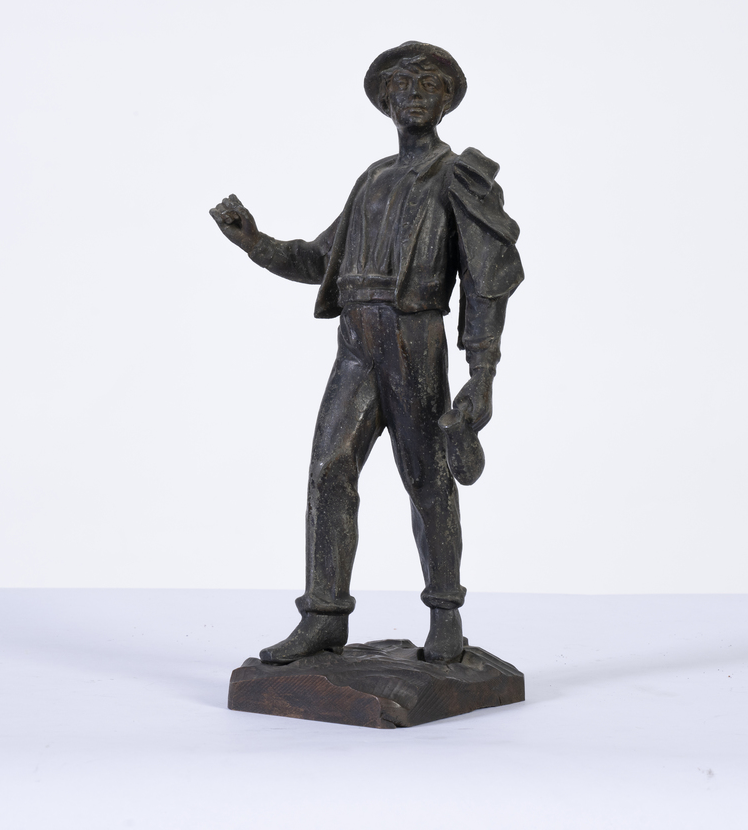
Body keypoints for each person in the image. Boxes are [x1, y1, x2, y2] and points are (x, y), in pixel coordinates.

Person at [210, 42, 524, 663]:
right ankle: (323, 616)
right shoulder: (373, 180)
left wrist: (482, 373)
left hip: (414, 337)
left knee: (427, 475)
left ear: (447, 100)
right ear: (384, 101)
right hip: (356, 341)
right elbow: (321, 259)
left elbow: (486, 278)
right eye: (401, 84)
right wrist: (256, 243)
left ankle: (445, 615)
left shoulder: (459, 177)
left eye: (428, 84)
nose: (414, 94)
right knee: (329, 467)